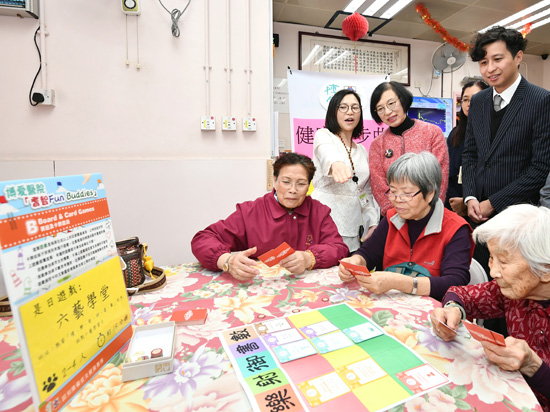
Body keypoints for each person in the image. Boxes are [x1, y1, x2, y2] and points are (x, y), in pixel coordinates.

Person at [430, 204, 550, 412]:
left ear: (545, 269)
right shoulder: (512, 292)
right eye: (492, 258)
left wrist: (533, 366)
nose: (493, 271)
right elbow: (462, 294)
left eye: (503, 261)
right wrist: (452, 308)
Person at [462, 26, 550, 270]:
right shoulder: (478, 101)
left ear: (518, 57)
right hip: (478, 216)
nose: (490, 68)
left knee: (515, 286)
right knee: (482, 279)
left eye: (498, 59)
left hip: (518, 217)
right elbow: (470, 154)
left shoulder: (540, 100)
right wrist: (470, 196)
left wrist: (494, 202)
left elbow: (540, 167)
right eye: (483, 62)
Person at [191, 152, 349, 281]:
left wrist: (309, 258)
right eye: (286, 182)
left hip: (308, 291)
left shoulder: (319, 212)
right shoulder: (251, 211)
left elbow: (339, 248)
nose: (293, 190)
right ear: (274, 181)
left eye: (301, 184)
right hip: (260, 289)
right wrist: (227, 261)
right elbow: (203, 239)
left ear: (308, 185)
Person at [338, 152, 474, 301]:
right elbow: (368, 254)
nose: (397, 201)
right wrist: (356, 261)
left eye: (407, 194)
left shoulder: (456, 229)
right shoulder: (391, 218)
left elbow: (455, 283)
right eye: (393, 192)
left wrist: (398, 282)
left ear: (429, 194)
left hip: (432, 312)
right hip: (390, 306)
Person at [311, 89, 379, 252]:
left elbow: (364, 191)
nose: (350, 112)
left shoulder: (362, 150)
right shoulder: (324, 135)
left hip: (354, 225)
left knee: (348, 273)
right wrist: (336, 164)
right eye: (343, 107)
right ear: (334, 111)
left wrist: (373, 220)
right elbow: (327, 152)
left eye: (355, 107)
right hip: (324, 221)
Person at [368, 81, 449, 216]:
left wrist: (426, 212)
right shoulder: (377, 144)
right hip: (394, 217)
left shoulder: (432, 133)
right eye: (380, 108)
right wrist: (396, 213)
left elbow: (440, 177)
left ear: (403, 100)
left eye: (391, 103)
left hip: (428, 215)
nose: (388, 112)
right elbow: (378, 184)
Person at [445, 80, 489, 216]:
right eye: (465, 99)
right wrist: (456, 203)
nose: (469, 104)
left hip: (484, 207)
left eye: (476, 98)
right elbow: (447, 173)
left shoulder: (496, 133)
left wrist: (467, 201)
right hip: (455, 207)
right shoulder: (455, 134)